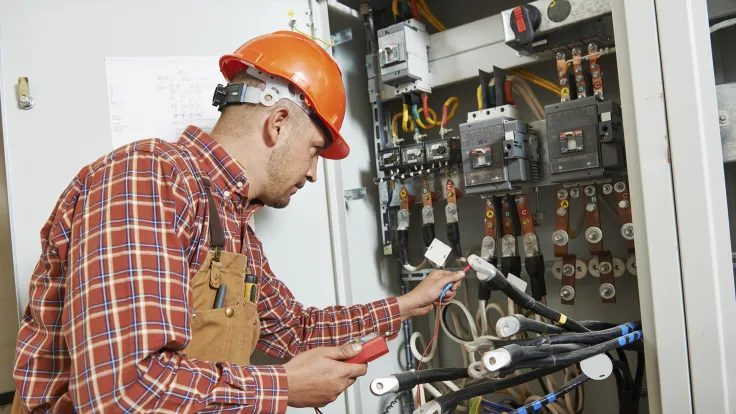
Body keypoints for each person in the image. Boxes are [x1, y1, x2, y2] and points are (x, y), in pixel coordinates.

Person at [12, 31, 464, 413]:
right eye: (313, 150)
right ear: (280, 123)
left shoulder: (231, 221)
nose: (311, 174)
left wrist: (408, 305)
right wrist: (283, 387)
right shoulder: (147, 178)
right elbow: (124, 390)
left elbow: (295, 329)